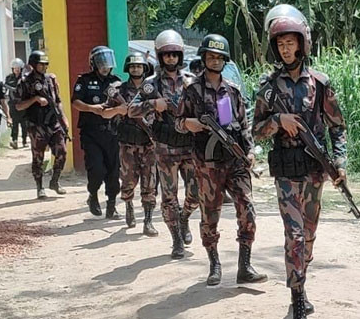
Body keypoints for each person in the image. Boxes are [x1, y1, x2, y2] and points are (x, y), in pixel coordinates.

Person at [253, 5, 348, 319]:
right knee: (293, 237)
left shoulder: (320, 84)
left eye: (291, 43)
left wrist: (340, 163)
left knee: (306, 239)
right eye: (280, 44)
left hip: (313, 172)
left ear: (302, 43)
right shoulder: (268, 87)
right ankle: (297, 308)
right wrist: (279, 122)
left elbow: (338, 128)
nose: (285, 49)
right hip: (286, 173)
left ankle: (301, 281)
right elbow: (256, 130)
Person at [176, 34, 266, 285]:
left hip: (235, 162)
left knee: (247, 209)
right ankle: (214, 264)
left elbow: (243, 126)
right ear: (204, 58)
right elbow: (178, 122)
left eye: (219, 57)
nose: (215, 61)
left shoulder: (232, 90)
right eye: (210, 57)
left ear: (225, 60)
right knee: (210, 215)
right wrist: (189, 124)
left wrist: (248, 152)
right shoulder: (192, 90)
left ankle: (244, 265)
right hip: (208, 164)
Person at [128, 30, 199, 258]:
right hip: (165, 148)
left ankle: (185, 217)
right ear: (160, 57)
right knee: (169, 197)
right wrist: (153, 104)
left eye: (174, 54)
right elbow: (131, 109)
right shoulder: (151, 84)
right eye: (166, 55)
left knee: (195, 193)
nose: (171, 58)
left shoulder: (191, 81)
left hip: (189, 146)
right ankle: (176, 239)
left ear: (180, 56)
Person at [105, 52, 159, 236]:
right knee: (128, 181)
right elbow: (105, 113)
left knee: (149, 182)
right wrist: (118, 109)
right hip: (127, 143)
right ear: (128, 68)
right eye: (133, 66)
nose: (136, 69)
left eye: (139, 66)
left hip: (149, 142)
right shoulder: (118, 90)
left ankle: (148, 220)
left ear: (145, 68)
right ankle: (128, 205)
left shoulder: (152, 87)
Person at [71, 45, 122, 219]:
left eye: (107, 62)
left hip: (112, 133)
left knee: (114, 171)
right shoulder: (84, 80)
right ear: (94, 63)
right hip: (91, 133)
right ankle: (93, 195)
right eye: (101, 62)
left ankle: (112, 205)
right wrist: (92, 108)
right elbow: (75, 102)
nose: (105, 66)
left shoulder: (116, 82)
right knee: (97, 169)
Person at [14, 50, 69, 199]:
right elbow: (18, 106)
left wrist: (63, 118)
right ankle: (39, 187)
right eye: (41, 64)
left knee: (62, 152)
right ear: (33, 65)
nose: (44, 67)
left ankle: (55, 181)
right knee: (38, 157)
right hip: (36, 125)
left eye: (46, 64)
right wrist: (35, 99)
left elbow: (58, 101)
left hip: (53, 122)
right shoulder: (25, 82)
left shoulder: (50, 79)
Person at [5, 58, 28, 148]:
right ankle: (14, 140)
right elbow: (5, 89)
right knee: (14, 123)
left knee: (24, 123)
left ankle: (25, 141)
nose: (17, 70)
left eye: (18, 68)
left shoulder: (24, 79)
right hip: (13, 104)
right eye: (15, 68)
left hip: (23, 104)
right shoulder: (9, 78)